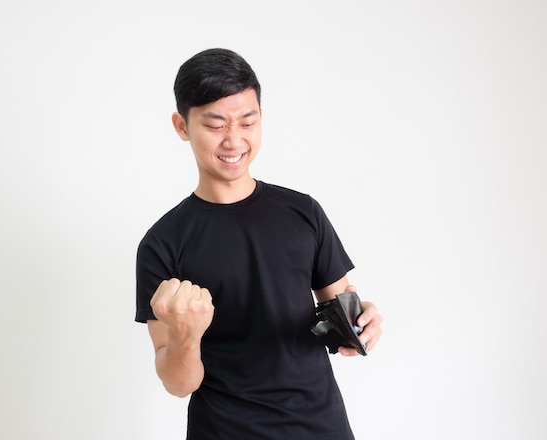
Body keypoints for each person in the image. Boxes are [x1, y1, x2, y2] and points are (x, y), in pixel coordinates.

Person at [135, 48, 383, 439]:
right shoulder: (163, 243)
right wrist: (186, 333)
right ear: (182, 126)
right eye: (215, 125)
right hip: (224, 429)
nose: (234, 140)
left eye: (247, 122)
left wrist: (361, 320)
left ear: (261, 119)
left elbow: (341, 300)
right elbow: (178, 383)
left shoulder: (303, 213)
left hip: (320, 425)